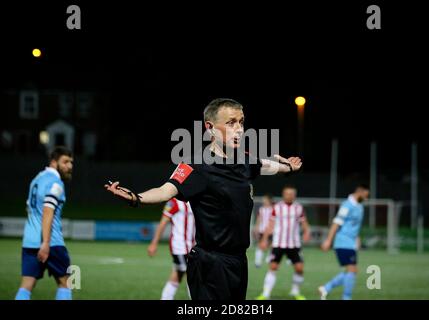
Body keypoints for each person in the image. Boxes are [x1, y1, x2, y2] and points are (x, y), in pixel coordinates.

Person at [105, 98, 302, 300]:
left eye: (241, 122)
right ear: (210, 128)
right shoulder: (195, 165)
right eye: (231, 123)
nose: (239, 129)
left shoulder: (244, 160)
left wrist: (288, 168)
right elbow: (165, 190)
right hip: (210, 263)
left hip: (239, 262)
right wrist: (135, 197)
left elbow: (265, 165)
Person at [15, 146, 74, 300]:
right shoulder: (56, 183)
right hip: (51, 242)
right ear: (54, 162)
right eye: (65, 162)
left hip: (29, 241)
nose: (69, 166)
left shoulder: (36, 179)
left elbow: (29, 208)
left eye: (71, 162)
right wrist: (46, 242)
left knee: (26, 285)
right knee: (67, 283)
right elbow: (48, 210)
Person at [256, 185, 311, 300]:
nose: (289, 195)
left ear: (294, 195)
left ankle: (295, 292)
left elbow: (304, 222)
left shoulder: (298, 208)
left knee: (299, 268)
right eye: (287, 193)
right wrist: (264, 239)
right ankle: (265, 294)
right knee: (273, 266)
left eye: (291, 194)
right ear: (283, 194)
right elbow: (270, 224)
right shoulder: (277, 207)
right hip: (278, 243)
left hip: (294, 243)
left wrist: (307, 232)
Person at [318, 184, 370, 300]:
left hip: (351, 243)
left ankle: (326, 288)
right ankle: (346, 297)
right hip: (343, 242)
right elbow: (336, 223)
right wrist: (328, 240)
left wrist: (357, 238)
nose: (367, 198)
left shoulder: (360, 206)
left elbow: (355, 226)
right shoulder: (347, 205)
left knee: (352, 271)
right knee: (352, 270)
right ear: (359, 192)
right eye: (366, 195)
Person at [147, 198, 195, 300]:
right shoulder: (173, 202)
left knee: (178, 275)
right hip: (180, 247)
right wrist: (154, 243)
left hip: (192, 247)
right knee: (193, 277)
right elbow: (163, 222)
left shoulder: (195, 200)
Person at [253, 194, 274, 268]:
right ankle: (257, 262)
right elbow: (259, 219)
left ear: (269, 200)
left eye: (265, 200)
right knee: (260, 246)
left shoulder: (273, 209)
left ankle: (269, 259)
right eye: (263, 200)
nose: (264, 201)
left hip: (271, 231)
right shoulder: (261, 209)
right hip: (262, 230)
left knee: (272, 246)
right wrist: (256, 228)